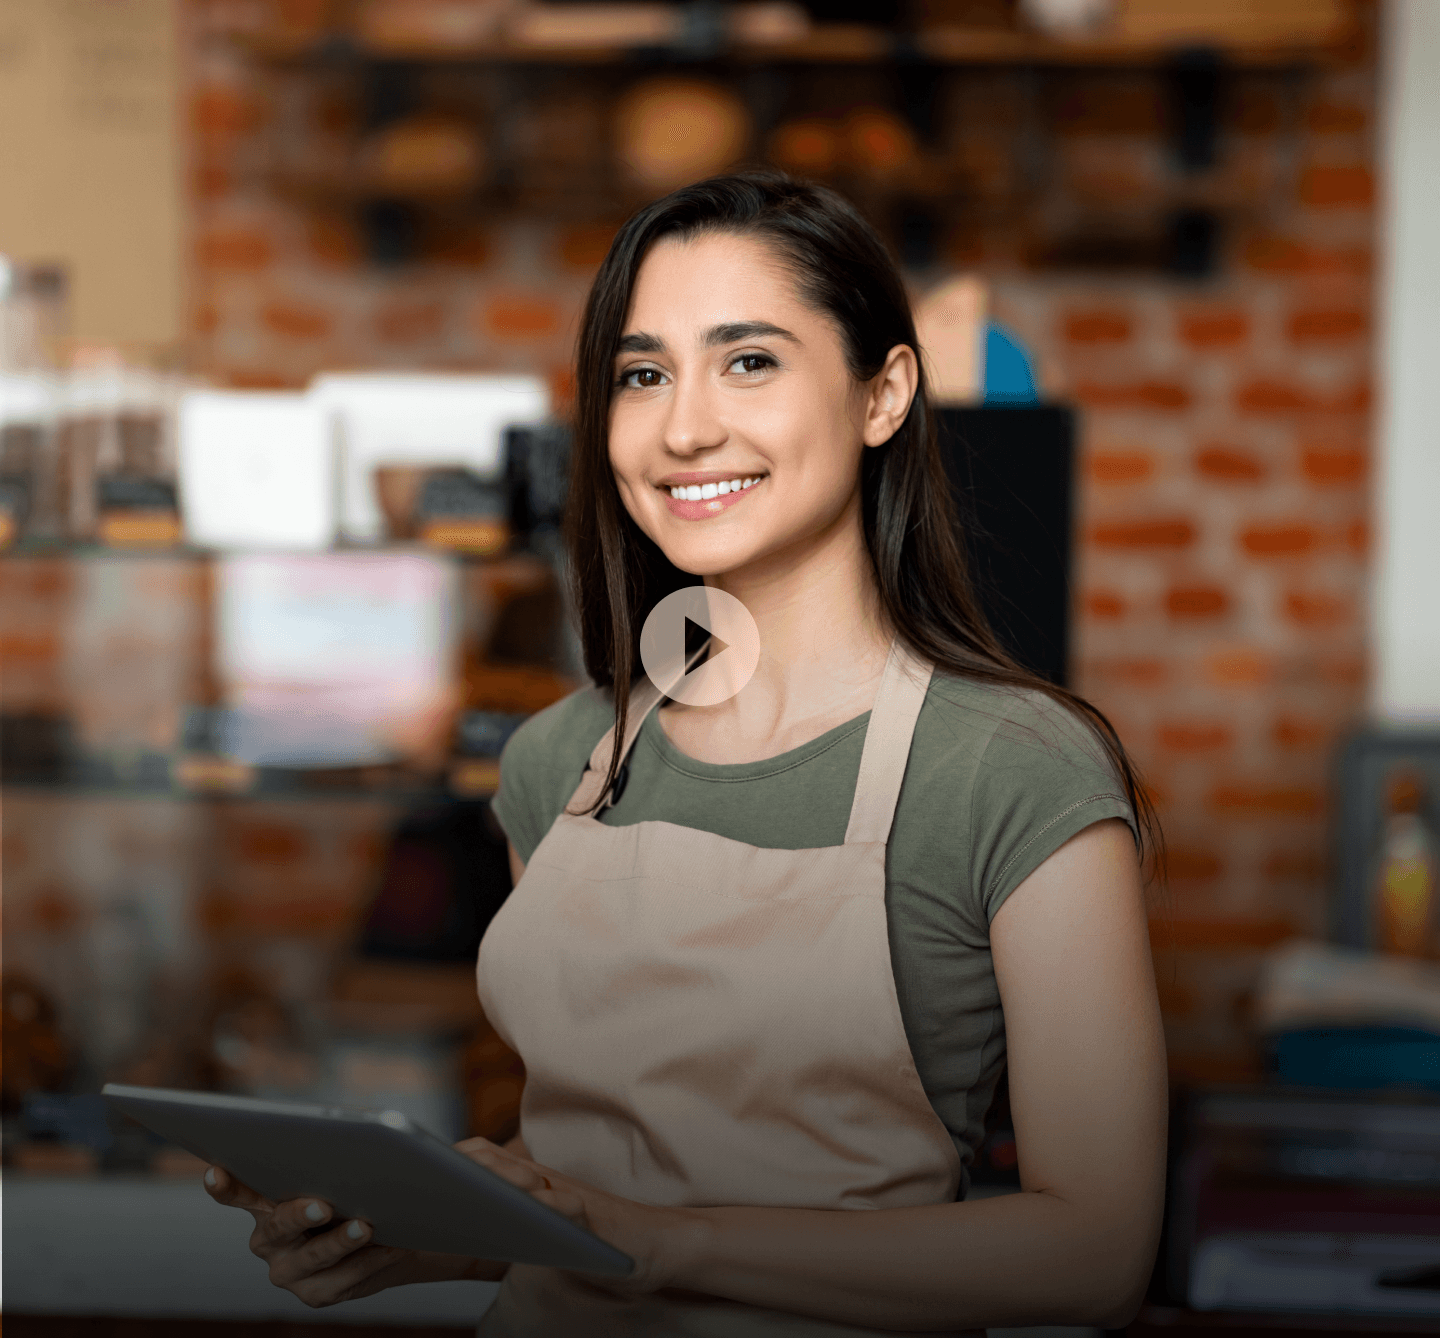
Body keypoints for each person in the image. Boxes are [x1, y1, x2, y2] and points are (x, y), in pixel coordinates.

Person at [204, 172, 1167, 1336]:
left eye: (748, 361)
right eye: (642, 375)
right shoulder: (562, 759)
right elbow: (606, 1175)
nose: (683, 429)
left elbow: (1096, 1250)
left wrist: (664, 1245)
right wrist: (432, 1230)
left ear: (884, 394)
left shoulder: (1013, 768)